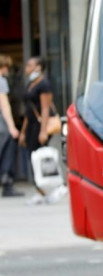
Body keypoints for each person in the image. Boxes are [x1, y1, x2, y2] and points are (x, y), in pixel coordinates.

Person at [20, 56, 55, 204]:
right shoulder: (30, 84)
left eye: (30, 65)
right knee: (32, 158)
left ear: (38, 67)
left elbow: (45, 109)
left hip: (40, 126)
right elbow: (29, 110)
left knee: (39, 157)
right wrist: (22, 131)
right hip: (31, 125)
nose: (27, 68)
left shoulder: (44, 84)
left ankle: (45, 190)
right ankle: (41, 190)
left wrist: (43, 131)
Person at [0, 55, 22, 197]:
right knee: (7, 150)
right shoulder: (1, 81)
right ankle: (7, 182)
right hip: (1, 125)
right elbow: (4, 105)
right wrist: (12, 127)